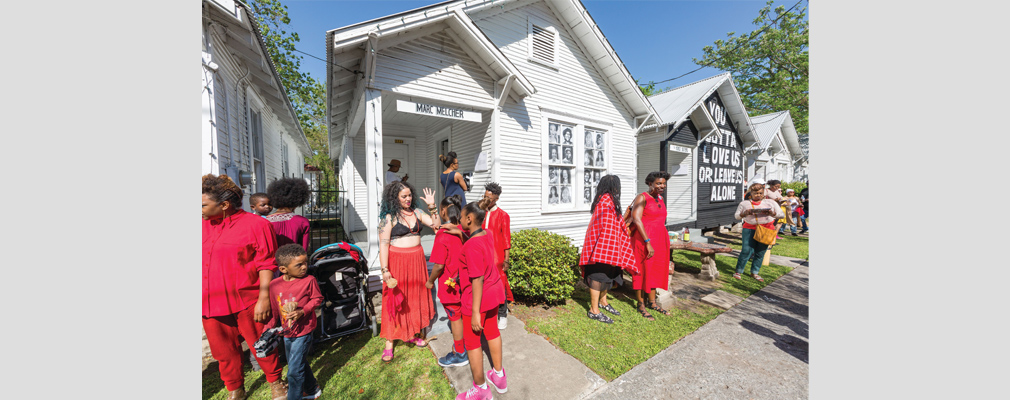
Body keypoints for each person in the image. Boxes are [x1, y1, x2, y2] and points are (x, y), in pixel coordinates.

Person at [201, 174, 287, 400]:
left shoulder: (257, 225)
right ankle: (235, 388)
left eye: (203, 204)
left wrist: (264, 298)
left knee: (261, 343)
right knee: (223, 351)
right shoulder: (201, 226)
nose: (199, 209)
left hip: (248, 300)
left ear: (224, 205)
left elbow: (267, 262)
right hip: (210, 302)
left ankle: (276, 382)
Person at [377, 181, 441, 362]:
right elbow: (383, 244)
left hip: (417, 261)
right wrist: (385, 269)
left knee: (414, 296)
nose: (407, 199)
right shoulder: (389, 218)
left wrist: (432, 206)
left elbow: (436, 227)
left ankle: (413, 333)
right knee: (394, 299)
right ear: (395, 197)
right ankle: (389, 342)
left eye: (409, 195)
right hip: (397, 261)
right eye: (403, 196)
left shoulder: (417, 212)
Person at [455, 199, 508, 400]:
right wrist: (460, 233)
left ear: (469, 219)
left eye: (461, 217)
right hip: (495, 292)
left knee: (473, 342)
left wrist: (475, 312)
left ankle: (481, 390)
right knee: (492, 331)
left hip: (477, 298)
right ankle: (499, 376)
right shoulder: (488, 234)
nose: (459, 219)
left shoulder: (471, 246)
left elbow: (477, 278)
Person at [264, 244, 324, 400]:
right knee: (298, 362)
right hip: (287, 331)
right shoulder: (274, 285)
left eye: (305, 263)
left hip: (304, 331)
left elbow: (317, 299)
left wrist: (302, 311)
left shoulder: (309, 280)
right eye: (299, 265)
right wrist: (269, 328)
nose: (304, 267)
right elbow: (275, 308)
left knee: (293, 371)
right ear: (283, 269)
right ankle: (312, 390)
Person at [578, 175, 638, 324]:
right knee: (598, 277)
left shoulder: (608, 200)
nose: (617, 189)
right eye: (616, 186)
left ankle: (603, 302)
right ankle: (594, 310)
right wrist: (609, 251)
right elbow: (606, 228)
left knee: (608, 275)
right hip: (601, 248)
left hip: (606, 247)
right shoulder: (605, 201)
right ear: (614, 187)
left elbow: (614, 225)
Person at [426, 195, 469, 368]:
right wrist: (432, 207)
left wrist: (430, 281)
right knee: (464, 315)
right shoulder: (463, 230)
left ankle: (460, 353)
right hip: (465, 283)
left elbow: (438, 265)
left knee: (455, 318)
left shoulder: (444, 235)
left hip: (450, 286)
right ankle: (467, 345)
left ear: (443, 211)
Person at [629, 171, 673, 320]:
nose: (662, 186)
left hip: (660, 239)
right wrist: (647, 242)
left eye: (664, 183)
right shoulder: (642, 197)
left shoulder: (660, 198)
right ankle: (641, 304)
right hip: (644, 239)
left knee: (655, 270)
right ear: (650, 184)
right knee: (642, 270)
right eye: (658, 183)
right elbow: (636, 219)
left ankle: (652, 302)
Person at [733, 183, 784, 282]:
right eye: (755, 193)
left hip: (767, 229)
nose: (758, 195)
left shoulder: (770, 203)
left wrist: (771, 213)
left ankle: (755, 272)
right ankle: (738, 271)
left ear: (764, 193)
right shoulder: (744, 203)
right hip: (749, 228)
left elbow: (781, 215)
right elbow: (737, 216)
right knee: (746, 251)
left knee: (760, 252)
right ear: (750, 194)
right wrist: (745, 213)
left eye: (760, 193)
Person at [481, 182, 513, 330]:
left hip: (496, 256)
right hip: (482, 254)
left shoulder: (503, 215)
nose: (486, 200)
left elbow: (506, 239)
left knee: (500, 285)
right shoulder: (481, 212)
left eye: (490, 198)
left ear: (496, 199)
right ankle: (489, 311)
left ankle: (503, 314)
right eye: (485, 196)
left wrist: (506, 260)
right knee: (484, 284)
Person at [265, 178, 311, 252]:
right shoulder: (302, 222)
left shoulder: (264, 221)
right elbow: (304, 248)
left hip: (271, 262)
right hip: (293, 261)